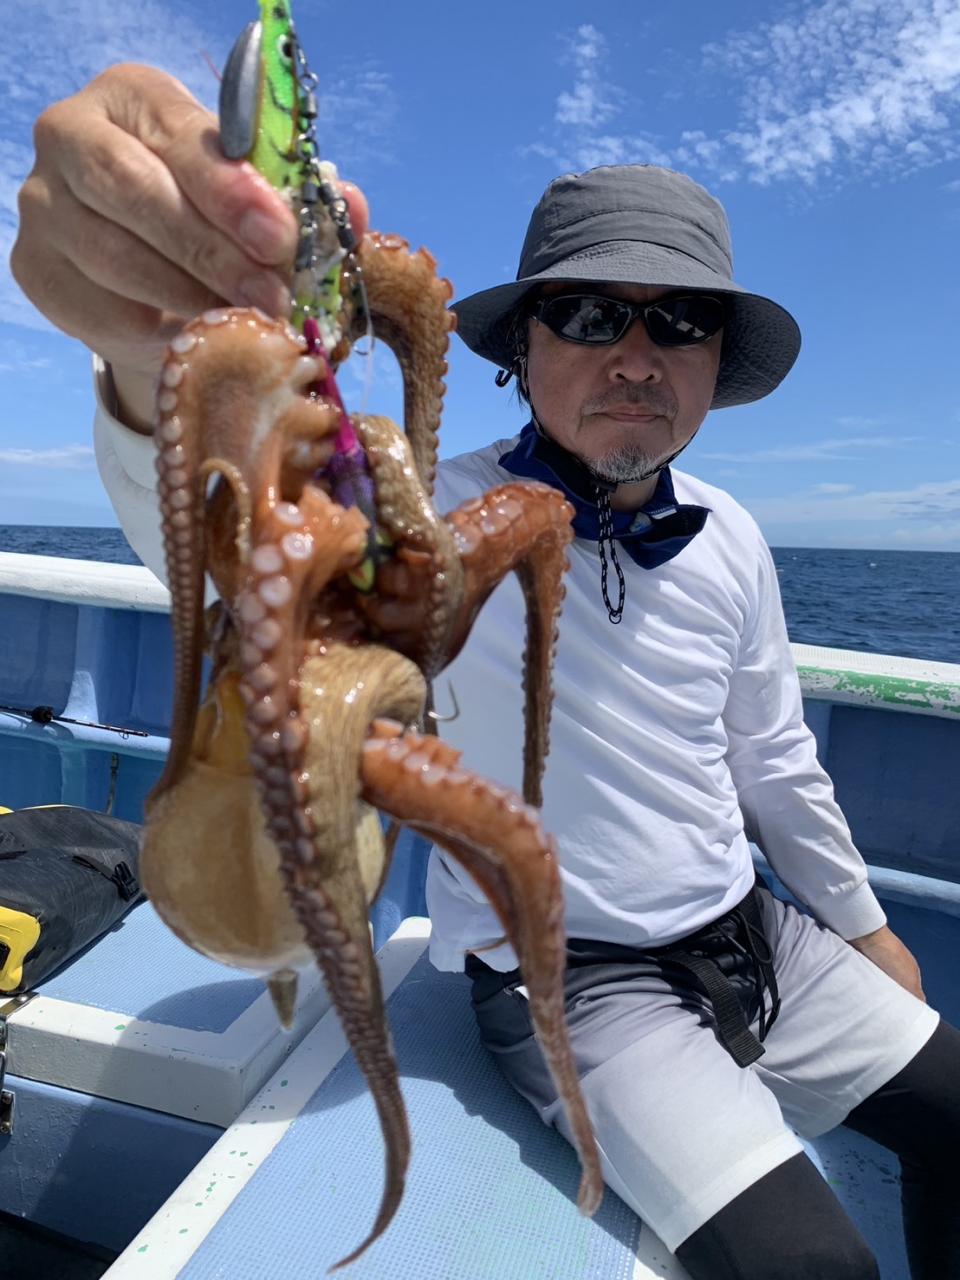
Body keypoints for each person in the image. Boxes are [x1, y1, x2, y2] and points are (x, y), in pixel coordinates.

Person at [11, 65, 960, 1280]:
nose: (637, 356)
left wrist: (866, 930)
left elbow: (773, 757)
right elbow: (224, 522)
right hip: (575, 983)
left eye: (679, 321)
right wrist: (144, 360)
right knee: (816, 1268)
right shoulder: (416, 519)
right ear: (522, 346)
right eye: (592, 314)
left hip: (761, 933)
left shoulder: (732, 534)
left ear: (717, 361)